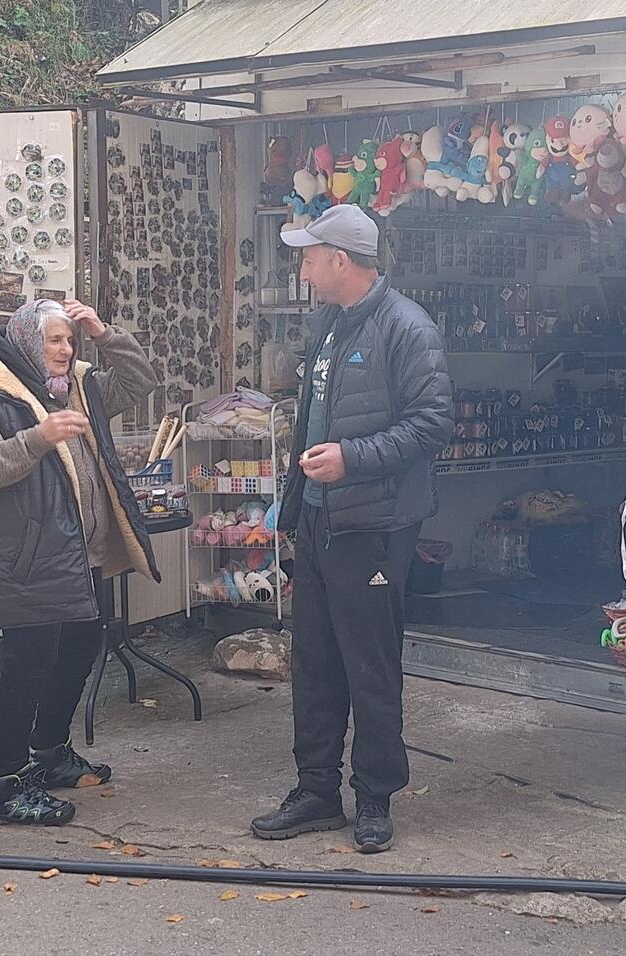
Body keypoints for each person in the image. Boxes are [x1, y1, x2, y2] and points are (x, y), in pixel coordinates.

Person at [249, 204, 452, 854]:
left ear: (340, 260)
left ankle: (374, 799)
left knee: (369, 667)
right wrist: (295, 499)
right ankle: (314, 791)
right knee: (313, 663)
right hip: (320, 520)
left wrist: (351, 460)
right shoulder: (329, 323)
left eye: (309, 256)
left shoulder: (407, 328)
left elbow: (433, 423)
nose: (302, 268)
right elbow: (313, 418)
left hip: (375, 526)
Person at [0, 298, 163, 826]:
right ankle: (7, 785)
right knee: (27, 667)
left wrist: (105, 332)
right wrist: (37, 439)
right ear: (28, 342)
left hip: (77, 555)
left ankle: (49, 753)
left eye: (71, 339)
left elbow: (140, 382)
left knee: (80, 649)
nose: (66, 349)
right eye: (55, 339)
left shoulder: (80, 389)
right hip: (30, 560)